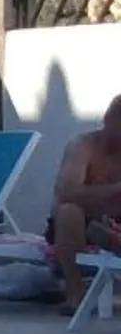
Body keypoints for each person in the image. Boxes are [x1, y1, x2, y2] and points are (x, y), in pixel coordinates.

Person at [51, 94, 121, 312]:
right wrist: (116, 189)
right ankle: (75, 293)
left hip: (115, 222)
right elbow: (67, 192)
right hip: (80, 224)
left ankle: (113, 237)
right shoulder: (82, 146)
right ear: (107, 120)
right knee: (68, 212)